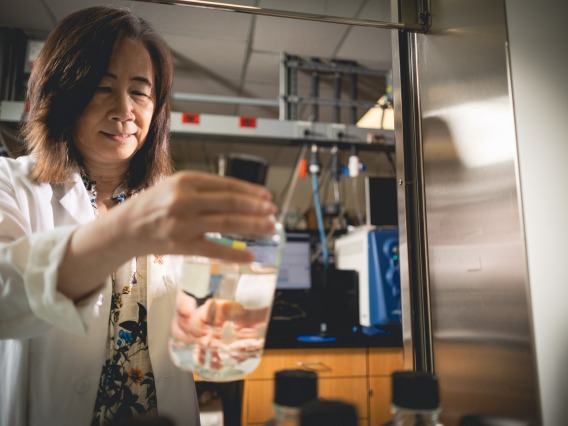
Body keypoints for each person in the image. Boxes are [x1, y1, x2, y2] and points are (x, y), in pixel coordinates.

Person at [0, 5, 276, 426]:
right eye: (102, 87)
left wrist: (206, 317)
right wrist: (125, 230)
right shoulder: (13, 186)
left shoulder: (174, 204)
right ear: (63, 93)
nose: (125, 110)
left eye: (140, 91)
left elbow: (211, 294)